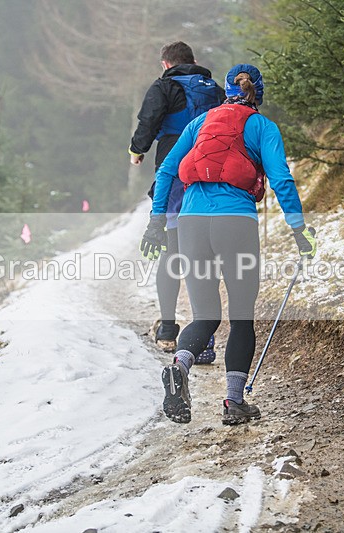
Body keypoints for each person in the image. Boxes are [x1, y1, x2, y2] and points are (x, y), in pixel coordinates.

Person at [140, 64, 317, 425]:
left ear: (225, 91)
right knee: (241, 316)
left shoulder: (200, 123)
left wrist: (158, 219)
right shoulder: (263, 126)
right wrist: (299, 229)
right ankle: (234, 403)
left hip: (190, 223)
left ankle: (180, 367)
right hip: (235, 221)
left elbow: (166, 171)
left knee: (205, 314)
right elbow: (281, 179)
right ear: (258, 93)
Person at [129, 41, 225, 358]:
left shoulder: (164, 86)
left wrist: (137, 150)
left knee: (171, 253)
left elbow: (149, 119)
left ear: (165, 64)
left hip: (174, 174)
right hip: (210, 177)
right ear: (193, 61)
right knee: (203, 256)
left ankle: (168, 328)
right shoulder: (213, 88)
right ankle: (204, 338)